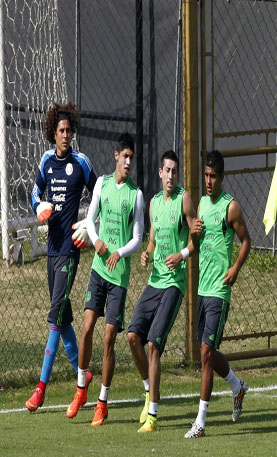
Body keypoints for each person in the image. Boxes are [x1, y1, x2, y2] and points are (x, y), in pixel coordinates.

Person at [67, 133, 144, 426]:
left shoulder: (136, 195)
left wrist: (120, 253)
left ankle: (102, 401)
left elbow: (138, 238)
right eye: (124, 156)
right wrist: (97, 241)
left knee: (109, 338)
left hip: (119, 277)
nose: (127, 162)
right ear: (115, 156)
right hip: (99, 270)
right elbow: (90, 218)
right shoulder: (101, 184)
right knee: (86, 328)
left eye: (131, 158)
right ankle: (81, 389)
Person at [25, 102, 97, 412]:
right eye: (61, 130)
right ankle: (84, 373)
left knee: (54, 317)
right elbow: (34, 192)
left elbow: (100, 194)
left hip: (70, 250)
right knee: (64, 317)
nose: (66, 135)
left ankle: (41, 388)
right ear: (53, 133)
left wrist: (88, 224)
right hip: (51, 249)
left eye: (69, 130)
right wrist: (38, 206)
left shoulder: (81, 162)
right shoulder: (45, 162)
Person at [126, 151, 197, 433]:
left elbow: (196, 239)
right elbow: (153, 240)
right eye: (166, 170)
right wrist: (147, 253)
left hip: (174, 284)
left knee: (154, 344)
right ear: (159, 172)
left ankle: (153, 416)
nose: (170, 176)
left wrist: (182, 254)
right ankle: (148, 392)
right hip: (155, 281)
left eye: (174, 171)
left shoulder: (184, 199)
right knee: (133, 337)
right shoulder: (154, 203)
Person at [184, 150, 252, 438]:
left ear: (222, 178)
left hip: (219, 291)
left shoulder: (230, 207)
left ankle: (200, 423)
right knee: (207, 355)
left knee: (205, 353)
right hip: (202, 289)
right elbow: (196, 244)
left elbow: (247, 240)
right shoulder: (201, 203)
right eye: (206, 176)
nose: (209, 181)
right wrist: (194, 233)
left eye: (213, 176)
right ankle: (238, 387)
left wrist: (236, 266)